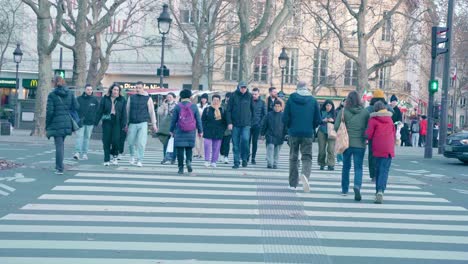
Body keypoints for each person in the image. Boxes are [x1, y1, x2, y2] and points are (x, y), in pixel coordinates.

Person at [283, 81, 321, 192]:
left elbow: (285, 117)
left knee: (293, 157)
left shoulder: (291, 99)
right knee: (307, 157)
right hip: (308, 133)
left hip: (294, 132)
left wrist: (290, 127)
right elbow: (317, 119)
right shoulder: (313, 100)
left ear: (297, 88)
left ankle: (292, 183)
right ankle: (305, 176)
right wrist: (312, 127)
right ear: (306, 88)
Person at [335, 91, 370, 201]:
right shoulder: (365, 112)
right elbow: (368, 128)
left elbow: (336, 126)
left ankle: (345, 189)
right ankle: (357, 186)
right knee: (358, 167)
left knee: (346, 166)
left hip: (346, 143)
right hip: (360, 144)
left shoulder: (343, 111)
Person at [46, 76, 79, 175]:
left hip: (56, 122)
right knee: (61, 145)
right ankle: (59, 166)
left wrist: (47, 125)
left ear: (54, 83)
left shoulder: (52, 95)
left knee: (59, 146)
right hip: (67, 122)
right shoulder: (70, 93)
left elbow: (50, 112)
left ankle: (59, 167)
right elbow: (77, 106)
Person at [366, 101, 395, 204]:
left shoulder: (373, 119)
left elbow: (368, 135)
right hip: (388, 148)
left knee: (378, 169)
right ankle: (381, 190)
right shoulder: (390, 120)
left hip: (377, 148)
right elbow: (393, 133)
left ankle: (378, 191)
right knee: (384, 170)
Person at [170, 89, 203, 174]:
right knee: (189, 148)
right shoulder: (194, 106)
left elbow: (173, 120)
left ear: (181, 96)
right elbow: (198, 120)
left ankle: (181, 167)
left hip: (179, 130)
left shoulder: (177, 106)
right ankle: (188, 161)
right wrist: (200, 131)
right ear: (190, 96)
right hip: (191, 131)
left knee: (180, 149)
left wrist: (171, 130)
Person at [126, 81, 158, 167]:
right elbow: (127, 111)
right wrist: (126, 123)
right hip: (132, 122)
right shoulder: (131, 98)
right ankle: (132, 156)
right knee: (130, 142)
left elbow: (152, 112)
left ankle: (140, 159)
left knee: (141, 142)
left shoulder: (148, 98)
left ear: (143, 88)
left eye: (139, 88)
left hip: (143, 122)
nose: (138, 89)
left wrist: (154, 124)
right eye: (136, 88)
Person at [95, 84, 127, 166]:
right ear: (111, 90)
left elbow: (124, 113)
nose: (116, 91)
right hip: (107, 120)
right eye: (114, 89)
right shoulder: (105, 99)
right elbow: (99, 111)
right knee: (106, 140)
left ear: (119, 92)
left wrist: (124, 124)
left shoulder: (122, 100)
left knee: (116, 140)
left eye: (117, 90)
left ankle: (115, 156)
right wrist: (96, 121)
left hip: (117, 121)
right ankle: (106, 159)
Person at [365, 89, 393, 182]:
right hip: (386, 137)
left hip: (373, 136)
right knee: (384, 157)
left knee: (372, 155)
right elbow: (394, 114)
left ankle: (373, 174)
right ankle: (380, 175)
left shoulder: (369, 109)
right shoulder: (388, 108)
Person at [226, 81, 254, 169]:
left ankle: (245, 158)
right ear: (238, 87)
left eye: (245, 87)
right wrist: (229, 122)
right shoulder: (233, 96)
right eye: (242, 87)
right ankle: (236, 162)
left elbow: (253, 110)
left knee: (245, 140)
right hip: (235, 124)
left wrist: (251, 122)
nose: (243, 89)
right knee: (235, 144)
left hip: (246, 124)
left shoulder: (249, 96)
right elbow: (228, 110)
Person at [73, 84, 98, 160]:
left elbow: (97, 111)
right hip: (81, 122)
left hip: (90, 122)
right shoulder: (79, 99)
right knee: (79, 137)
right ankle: (77, 152)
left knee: (87, 138)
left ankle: (85, 153)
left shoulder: (94, 100)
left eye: (91, 89)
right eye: (88, 89)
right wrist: (77, 119)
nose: (89, 91)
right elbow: (75, 110)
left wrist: (95, 120)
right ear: (85, 90)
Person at [202, 94, 226, 167]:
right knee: (207, 145)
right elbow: (203, 120)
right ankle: (207, 160)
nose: (215, 102)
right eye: (214, 100)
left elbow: (225, 121)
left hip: (218, 131)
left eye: (217, 100)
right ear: (212, 100)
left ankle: (214, 161)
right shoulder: (207, 109)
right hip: (208, 130)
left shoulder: (222, 110)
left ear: (219, 101)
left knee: (216, 147)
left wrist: (222, 129)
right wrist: (204, 128)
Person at [261, 100, 286, 169]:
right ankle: (270, 163)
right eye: (276, 106)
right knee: (270, 148)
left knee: (277, 150)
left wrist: (286, 134)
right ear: (273, 107)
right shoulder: (269, 114)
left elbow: (286, 126)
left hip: (280, 135)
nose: (277, 108)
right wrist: (262, 134)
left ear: (281, 107)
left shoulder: (284, 115)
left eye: (278, 106)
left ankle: (275, 163)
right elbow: (264, 125)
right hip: (270, 134)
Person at [157, 92, 177, 164]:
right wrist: (163, 106)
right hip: (165, 126)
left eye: (170, 97)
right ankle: (165, 157)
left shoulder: (176, 105)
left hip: (174, 126)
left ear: (174, 98)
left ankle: (173, 158)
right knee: (165, 142)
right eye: (167, 97)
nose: (168, 98)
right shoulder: (164, 105)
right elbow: (159, 113)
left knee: (174, 143)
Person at [317, 100, 336, 171]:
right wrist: (323, 120)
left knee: (331, 149)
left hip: (331, 131)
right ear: (324, 106)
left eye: (330, 105)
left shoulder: (335, 112)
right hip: (322, 131)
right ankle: (321, 163)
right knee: (322, 149)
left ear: (332, 106)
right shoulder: (321, 112)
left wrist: (333, 121)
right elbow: (317, 121)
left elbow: (338, 122)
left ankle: (331, 164)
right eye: (327, 105)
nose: (328, 107)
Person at [249, 87, 266, 165]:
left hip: (257, 125)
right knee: (246, 141)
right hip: (248, 124)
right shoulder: (249, 101)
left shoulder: (262, 103)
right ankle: (246, 155)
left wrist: (260, 123)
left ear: (258, 94)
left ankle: (253, 158)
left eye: (255, 94)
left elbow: (264, 115)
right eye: (253, 94)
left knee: (254, 142)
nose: (254, 95)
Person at [194, 93, 209, 159]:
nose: (203, 100)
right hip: (197, 124)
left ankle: (202, 153)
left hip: (205, 125)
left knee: (203, 140)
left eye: (205, 98)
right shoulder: (197, 105)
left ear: (207, 99)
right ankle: (196, 153)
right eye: (202, 98)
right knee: (196, 139)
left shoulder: (209, 106)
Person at [220, 92, 232, 164]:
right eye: (227, 97)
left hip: (229, 126)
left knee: (227, 142)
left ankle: (226, 156)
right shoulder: (221, 105)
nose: (228, 99)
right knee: (221, 142)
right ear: (226, 97)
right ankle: (221, 154)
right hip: (221, 126)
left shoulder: (233, 105)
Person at [335, 99, 345, 165]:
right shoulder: (338, 110)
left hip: (347, 129)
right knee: (339, 144)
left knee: (345, 145)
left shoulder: (350, 110)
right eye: (344, 101)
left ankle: (343, 159)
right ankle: (339, 159)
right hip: (339, 129)